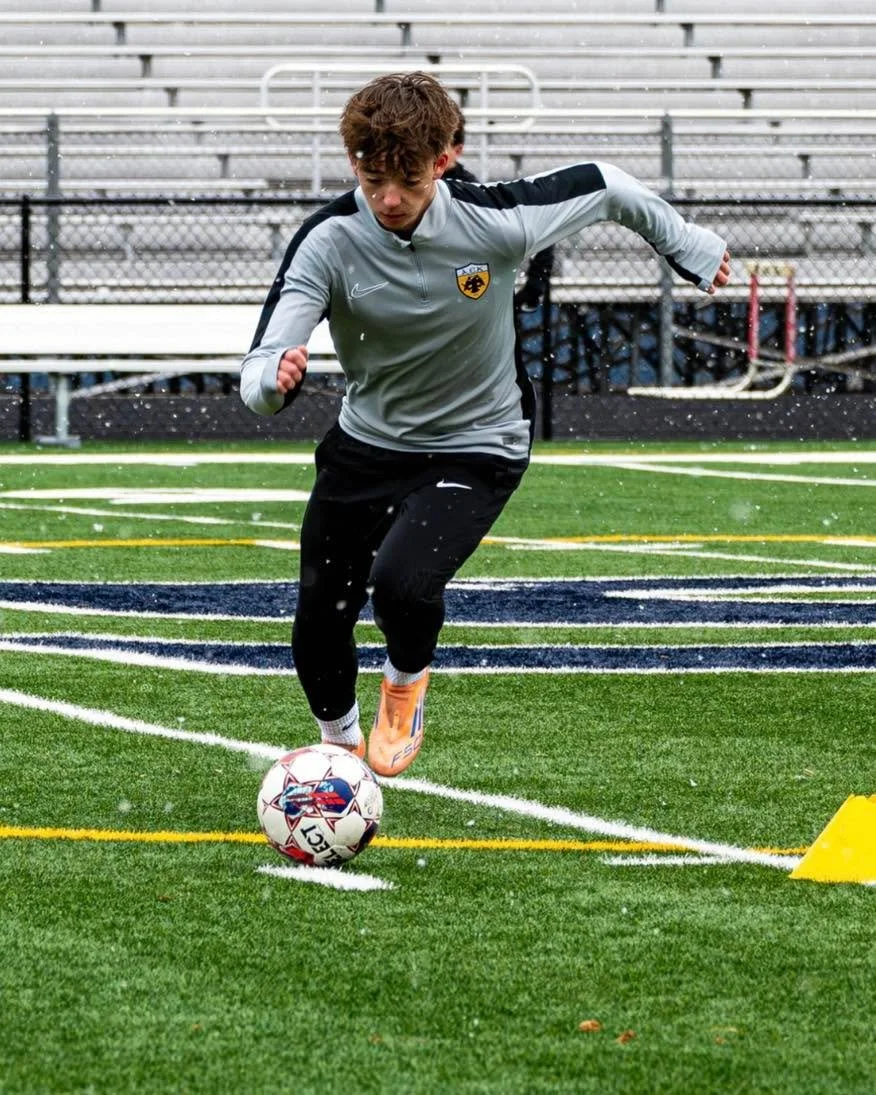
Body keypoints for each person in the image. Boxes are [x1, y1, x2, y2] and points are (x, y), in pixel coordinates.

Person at [239, 71, 731, 778]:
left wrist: (690, 246)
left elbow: (605, 184)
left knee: (402, 584)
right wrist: (272, 382)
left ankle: (404, 685)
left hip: (477, 444)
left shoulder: (495, 221)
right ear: (354, 162)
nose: (389, 198)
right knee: (320, 614)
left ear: (444, 160)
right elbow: (261, 365)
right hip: (367, 443)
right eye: (373, 179)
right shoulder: (327, 240)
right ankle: (339, 751)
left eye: (408, 180)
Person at [443, 103, 555, 312]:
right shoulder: (406, 190)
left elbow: (539, 225)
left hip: (466, 305)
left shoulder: (474, 193)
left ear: (458, 150)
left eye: (439, 145)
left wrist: (534, 286)